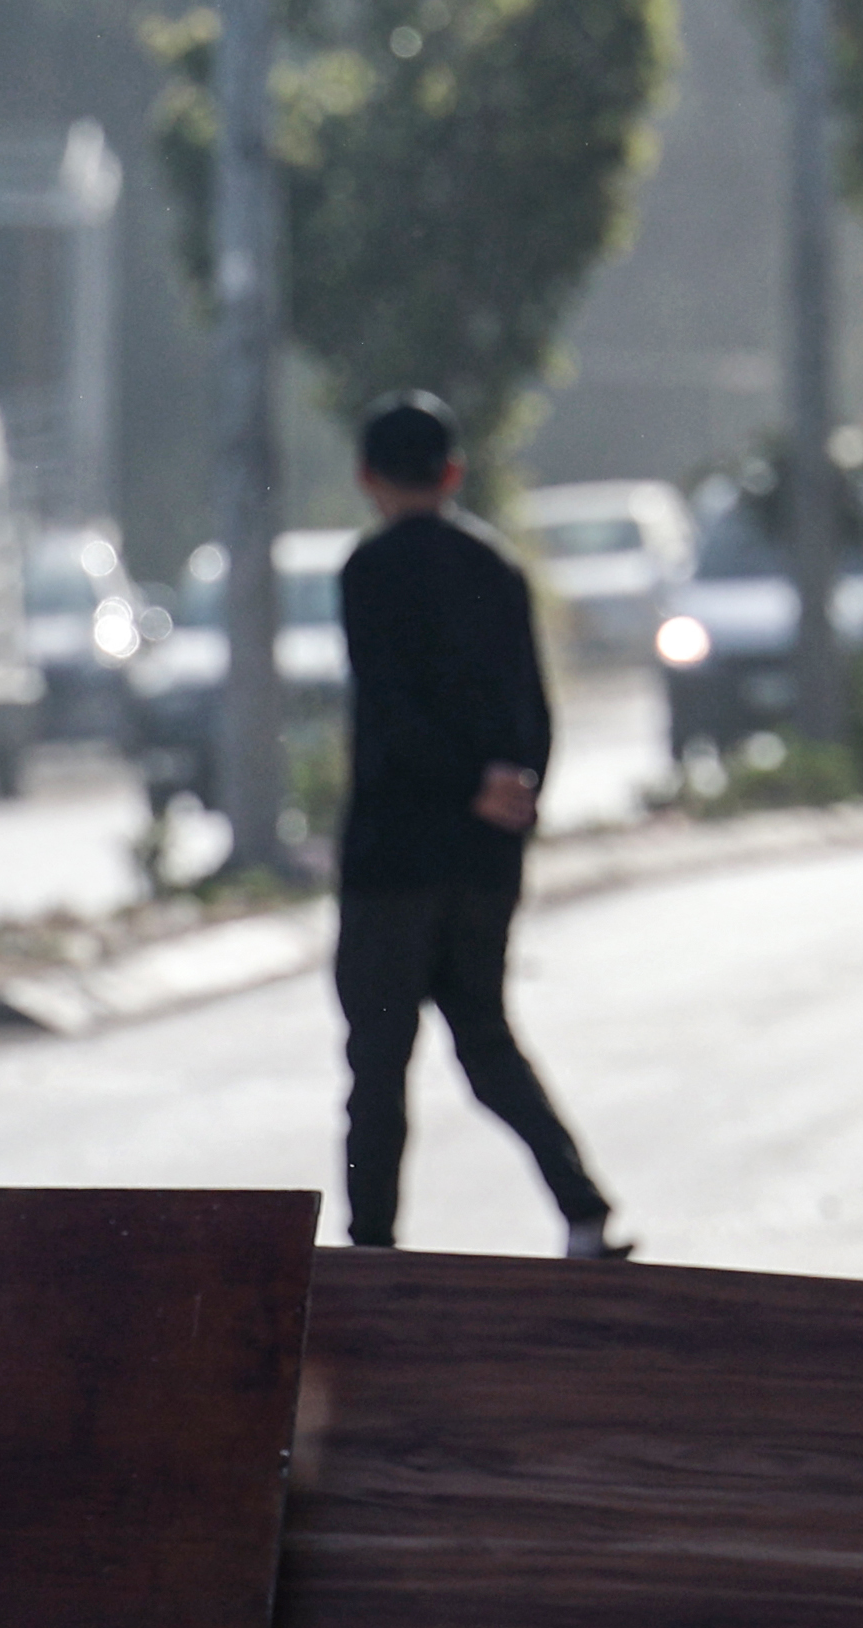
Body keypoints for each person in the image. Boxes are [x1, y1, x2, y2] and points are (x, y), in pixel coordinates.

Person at [331, 390, 622, 1258]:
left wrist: (461, 784)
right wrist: (513, 795)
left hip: (391, 861)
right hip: (482, 862)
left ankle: (372, 1248)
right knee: (487, 1041)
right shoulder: (496, 569)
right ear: (454, 473)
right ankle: (582, 1209)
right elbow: (534, 712)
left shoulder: (367, 573)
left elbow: (390, 711)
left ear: (367, 480)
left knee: (378, 1065)